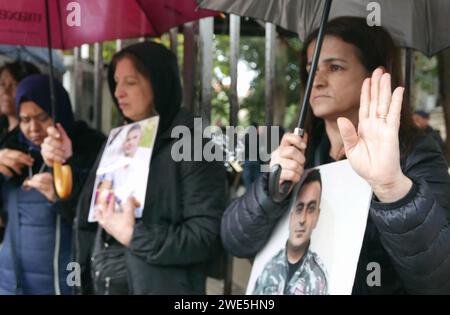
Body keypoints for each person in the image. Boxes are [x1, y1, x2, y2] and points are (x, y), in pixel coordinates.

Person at [221, 17, 450, 294]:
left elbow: (438, 279)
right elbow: (234, 241)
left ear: (373, 76)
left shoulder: (414, 154)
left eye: (335, 67)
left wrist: (392, 189)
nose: (315, 81)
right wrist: (270, 192)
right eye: (311, 68)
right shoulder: (297, 152)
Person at [41, 42, 226, 294]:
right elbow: (90, 216)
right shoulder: (118, 141)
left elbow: (206, 237)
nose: (118, 92)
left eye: (130, 82)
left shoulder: (195, 146)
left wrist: (134, 236)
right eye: (116, 82)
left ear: (160, 84)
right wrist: (63, 164)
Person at [0, 74, 105, 295]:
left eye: (43, 117)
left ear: (61, 112)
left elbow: (97, 217)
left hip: (65, 279)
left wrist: (63, 191)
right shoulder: (9, 149)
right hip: (11, 282)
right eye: (25, 119)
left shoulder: (90, 149)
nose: (33, 128)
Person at [253, 169, 327, 295]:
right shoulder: (269, 266)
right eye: (299, 208)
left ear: (317, 217)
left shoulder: (318, 279)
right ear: (291, 215)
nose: (302, 219)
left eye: (311, 209)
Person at [0, 62, 41, 142]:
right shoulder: (3, 126)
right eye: (2, 84)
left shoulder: (34, 134)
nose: (5, 92)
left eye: (15, 85)